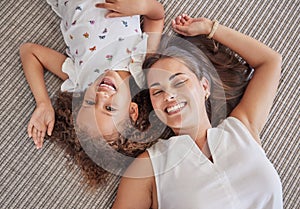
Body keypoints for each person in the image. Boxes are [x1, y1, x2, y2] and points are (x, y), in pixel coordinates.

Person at [112, 14, 283, 208]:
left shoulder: (241, 128)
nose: (169, 96)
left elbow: (270, 61)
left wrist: (210, 27)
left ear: (204, 87)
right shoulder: (149, 166)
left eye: (179, 82)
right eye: (158, 91)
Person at [19, 0, 165, 187]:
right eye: (109, 108)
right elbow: (157, 16)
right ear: (133, 111)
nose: (101, 95)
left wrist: (43, 103)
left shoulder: (82, 80)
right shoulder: (142, 67)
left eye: (89, 103)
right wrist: (141, 7)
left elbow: (29, 51)